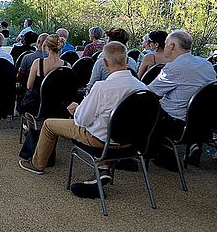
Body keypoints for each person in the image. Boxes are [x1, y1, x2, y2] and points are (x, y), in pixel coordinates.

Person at [19, 42, 143, 181]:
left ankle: (37, 164)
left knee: (48, 125)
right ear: (126, 60)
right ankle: (103, 168)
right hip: (131, 141)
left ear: (105, 63)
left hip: (100, 139)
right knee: (101, 121)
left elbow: (82, 121)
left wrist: (77, 109)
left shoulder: (102, 87)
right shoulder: (142, 87)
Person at [146, 30, 217, 167]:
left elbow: (150, 94)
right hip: (203, 122)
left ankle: (134, 153)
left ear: (172, 46)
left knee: (141, 106)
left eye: (166, 44)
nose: (165, 47)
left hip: (175, 123)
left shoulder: (174, 68)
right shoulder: (206, 65)